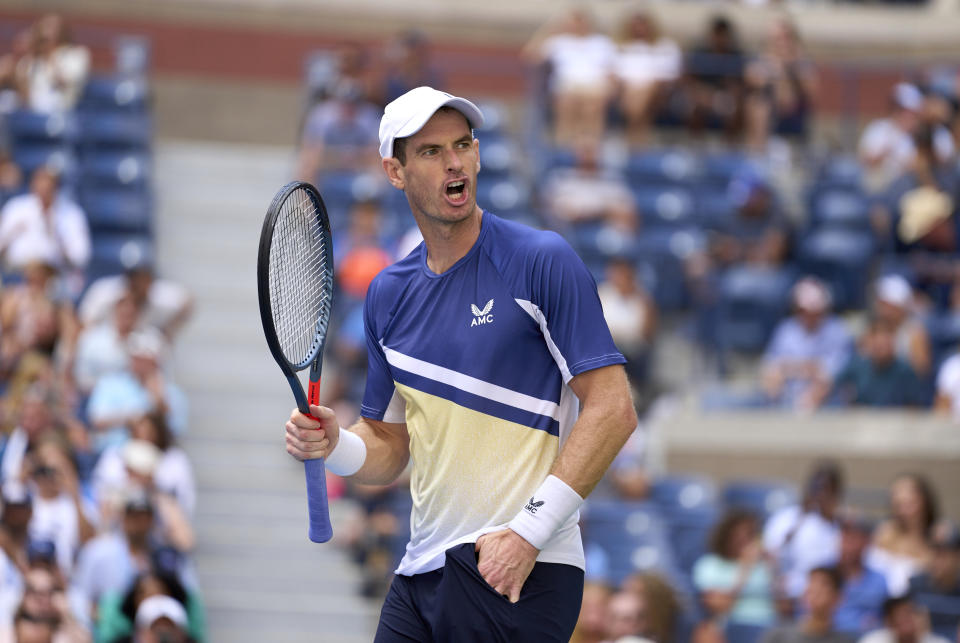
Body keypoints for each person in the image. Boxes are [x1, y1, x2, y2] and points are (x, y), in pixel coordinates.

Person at [282, 86, 637, 642]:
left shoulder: (542, 261)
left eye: (463, 144)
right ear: (393, 172)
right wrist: (338, 446)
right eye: (430, 151)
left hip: (522, 568)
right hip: (421, 570)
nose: (455, 162)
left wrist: (527, 534)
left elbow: (613, 411)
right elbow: (390, 443)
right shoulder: (388, 295)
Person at [522, 9, 617, 145]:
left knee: (592, 106)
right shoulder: (558, 42)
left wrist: (611, 88)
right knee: (567, 102)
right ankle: (564, 147)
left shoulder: (601, 43)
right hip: (566, 86)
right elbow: (530, 57)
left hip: (595, 87)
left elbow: (612, 70)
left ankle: (591, 147)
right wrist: (549, 30)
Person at [760, 278, 853, 410]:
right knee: (771, 381)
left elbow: (833, 371)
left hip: (829, 399)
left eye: (814, 311)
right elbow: (772, 365)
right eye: (804, 310)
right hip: (788, 393)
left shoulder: (837, 330)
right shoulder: (786, 329)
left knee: (823, 384)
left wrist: (796, 369)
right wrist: (804, 369)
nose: (809, 315)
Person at [763, 461, 844, 605]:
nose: (821, 495)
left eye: (827, 490)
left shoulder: (841, 527)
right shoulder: (786, 519)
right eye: (817, 488)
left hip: (823, 600)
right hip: (785, 598)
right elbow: (769, 556)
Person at [813, 316, 925, 409]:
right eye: (876, 337)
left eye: (886, 337)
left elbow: (913, 409)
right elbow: (830, 385)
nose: (881, 343)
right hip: (860, 426)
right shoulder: (857, 365)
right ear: (869, 341)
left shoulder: (905, 371)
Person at [693, 508, 777, 628]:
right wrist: (745, 570)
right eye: (739, 535)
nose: (745, 541)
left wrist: (774, 568)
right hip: (732, 628)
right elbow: (720, 607)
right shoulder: (709, 565)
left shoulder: (765, 565)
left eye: (750, 534)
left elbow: (784, 609)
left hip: (768, 627)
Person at [0, 167, 90, 278]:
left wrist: (56, 235)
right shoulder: (16, 207)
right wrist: (12, 234)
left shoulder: (72, 214)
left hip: (54, 277)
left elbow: (80, 257)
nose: (44, 193)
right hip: (16, 275)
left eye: (48, 188)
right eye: (40, 188)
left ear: (56, 188)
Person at [612, 10, 682, 145]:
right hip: (627, 91)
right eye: (635, 26)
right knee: (635, 96)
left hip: (658, 91)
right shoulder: (622, 47)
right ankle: (637, 142)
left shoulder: (665, 46)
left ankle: (633, 142)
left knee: (642, 95)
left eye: (642, 25)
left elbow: (671, 75)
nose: (639, 29)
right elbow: (615, 73)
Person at [868, 473, 940, 597]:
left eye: (910, 504)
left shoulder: (937, 538)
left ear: (925, 503)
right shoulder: (884, 533)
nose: (903, 512)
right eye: (898, 505)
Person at [16, 13, 90, 114]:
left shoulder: (77, 55)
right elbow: (22, 90)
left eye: (51, 27)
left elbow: (62, 83)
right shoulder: (31, 59)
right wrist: (31, 53)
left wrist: (50, 54)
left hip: (61, 110)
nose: (46, 32)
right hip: (31, 110)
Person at [760, 566, 855, 643]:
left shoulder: (844, 640)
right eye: (811, 583)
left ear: (838, 598)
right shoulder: (778, 635)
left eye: (822, 585)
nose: (814, 590)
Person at [833, 513, 889, 637]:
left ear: (867, 542)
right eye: (844, 536)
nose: (847, 544)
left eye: (853, 538)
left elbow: (884, 619)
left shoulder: (879, 580)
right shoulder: (824, 573)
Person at [907, 521, 960, 641]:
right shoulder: (915, 585)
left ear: (957, 555)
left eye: (943, 553)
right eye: (933, 551)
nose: (937, 559)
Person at [857, 596, 952, 643]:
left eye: (912, 612)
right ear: (889, 622)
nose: (910, 619)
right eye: (902, 615)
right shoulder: (873, 640)